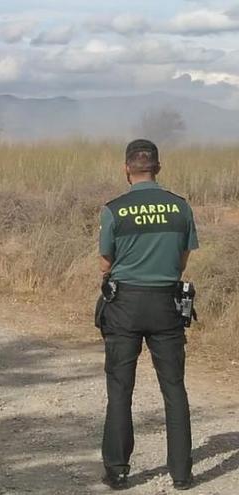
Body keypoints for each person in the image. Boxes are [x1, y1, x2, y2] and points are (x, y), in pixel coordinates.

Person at [97, 139, 199, 491]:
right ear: (159, 167)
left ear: (127, 168)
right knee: (174, 388)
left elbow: (105, 262)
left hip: (124, 305)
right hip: (166, 306)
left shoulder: (113, 210)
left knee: (120, 388)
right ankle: (182, 474)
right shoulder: (180, 207)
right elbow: (183, 258)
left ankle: (117, 470)